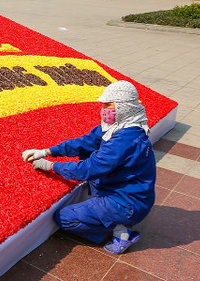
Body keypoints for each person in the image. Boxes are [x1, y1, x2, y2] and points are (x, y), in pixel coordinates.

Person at [22, 80, 156, 254]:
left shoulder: (125, 139)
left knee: (63, 218)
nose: (104, 110)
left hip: (127, 204)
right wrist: (47, 151)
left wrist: (50, 166)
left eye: (109, 105)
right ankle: (108, 216)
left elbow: (87, 170)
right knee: (87, 150)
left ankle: (120, 231)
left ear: (124, 107)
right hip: (130, 195)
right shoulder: (123, 126)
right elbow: (86, 142)